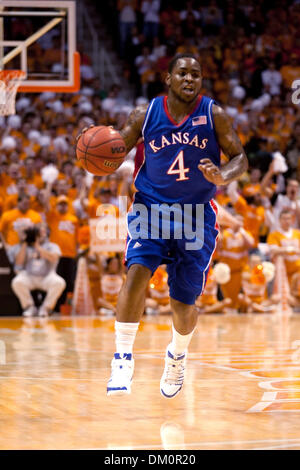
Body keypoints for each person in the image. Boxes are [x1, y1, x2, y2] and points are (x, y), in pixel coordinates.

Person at [80, 53, 248, 398]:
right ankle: (122, 357)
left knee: (183, 302)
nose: (190, 79)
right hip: (151, 208)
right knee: (137, 272)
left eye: (196, 74)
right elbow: (116, 149)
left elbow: (240, 157)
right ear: (168, 78)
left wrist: (223, 175)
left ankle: (177, 356)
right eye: (182, 73)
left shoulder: (214, 114)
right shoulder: (146, 115)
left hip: (196, 213)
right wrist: (94, 152)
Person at [8, 223, 66, 317]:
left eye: (42, 232)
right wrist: (26, 243)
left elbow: (54, 258)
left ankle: (46, 308)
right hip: (29, 276)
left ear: (47, 233)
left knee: (59, 282)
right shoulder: (25, 246)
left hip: (46, 276)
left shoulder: (52, 246)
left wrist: (37, 246)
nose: (40, 235)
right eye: (37, 232)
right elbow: (18, 263)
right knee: (17, 282)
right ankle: (29, 307)